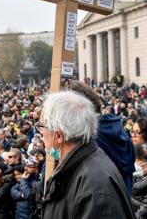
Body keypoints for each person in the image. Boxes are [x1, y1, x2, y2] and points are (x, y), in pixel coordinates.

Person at [40, 91, 135, 219]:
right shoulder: (82, 166)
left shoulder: (93, 187)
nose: (41, 132)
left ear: (58, 136)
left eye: (42, 126)